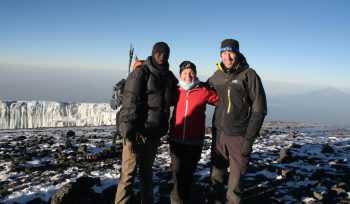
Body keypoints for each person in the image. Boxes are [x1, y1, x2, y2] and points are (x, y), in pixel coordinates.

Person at [115, 42, 178, 204]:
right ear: (152, 53)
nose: (162, 56)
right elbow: (130, 103)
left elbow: (177, 94)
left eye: (165, 54)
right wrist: (128, 133)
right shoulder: (141, 73)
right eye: (158, 53)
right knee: (128, 174)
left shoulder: (168, 76)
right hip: (136, 133)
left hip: (154, 133)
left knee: (146, 173)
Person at [207, 39, 267, 204]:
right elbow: (203, 90)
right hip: (219, 132)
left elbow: (259, 109)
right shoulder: (217, 75)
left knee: (236, 176)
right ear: (220, 54)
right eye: (224, 53)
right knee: (216, 174)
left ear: (237, 53)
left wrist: (249, 139)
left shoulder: (249, 74)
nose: (228, 56)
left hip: (239, 135)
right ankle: (214, 200)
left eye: (231, 52)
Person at [168, 61, 218, 204]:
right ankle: (177, 200)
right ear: (180, 75)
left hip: (194, 141)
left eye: (191, 73)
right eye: (185, 73)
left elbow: (221, 101)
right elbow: (159, 101)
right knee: (177, 174)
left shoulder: (203, 90)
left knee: (187, 174)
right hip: (176, 138)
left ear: (195, 74)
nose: (188, 76)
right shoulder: (176, 90)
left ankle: (183, 199)